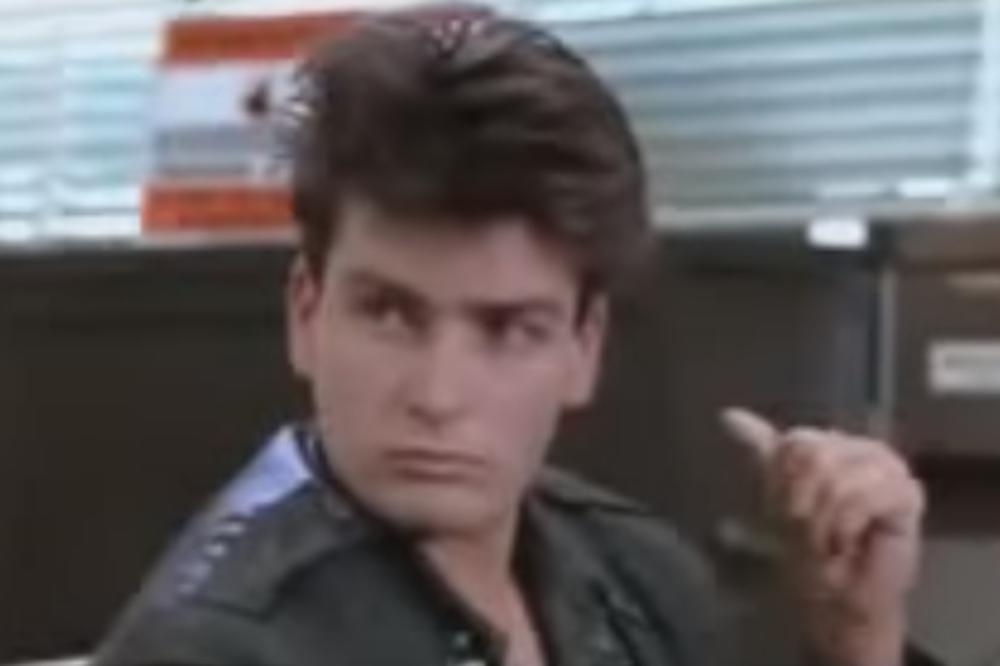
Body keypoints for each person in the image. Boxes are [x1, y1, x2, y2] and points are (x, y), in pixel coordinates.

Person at [95, 5, 934, 666]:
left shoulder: (635, 568)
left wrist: (857, 635)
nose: (437, 395)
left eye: (508, 330)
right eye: (389, 313)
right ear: (307, 315)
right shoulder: (219, 645)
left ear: (583, 347)